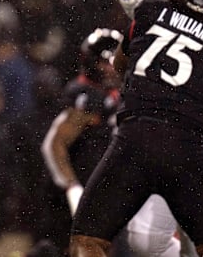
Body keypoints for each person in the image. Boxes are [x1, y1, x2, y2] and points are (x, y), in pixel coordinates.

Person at [69, 0, 203, 257]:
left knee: (87, 241)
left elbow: (121, 64)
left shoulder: (150, 10)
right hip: (186, 148)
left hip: (134, 140)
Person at [40, 27, 124, 254]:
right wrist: (73, 188)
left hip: (104, 194)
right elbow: (54, 144)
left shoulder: (116, 94)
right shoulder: (87, 96)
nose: (111, 69)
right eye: (106, 63)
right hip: (82, 196)